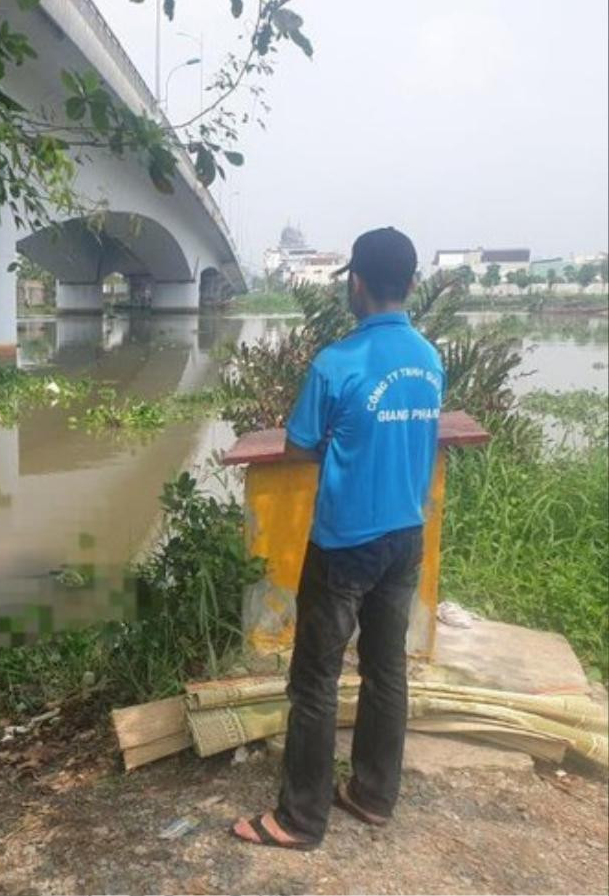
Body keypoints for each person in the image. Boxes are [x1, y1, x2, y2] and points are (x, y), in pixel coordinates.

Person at [231, 226, 445, 850]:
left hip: (346, 542)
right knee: (386, 669)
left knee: (316, 680)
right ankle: (374, 795)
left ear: (355, 283)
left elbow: (300, 443)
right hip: (407, 535)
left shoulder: (337, 362)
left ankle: (299, 819)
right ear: (409, 285)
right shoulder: (430, 358)